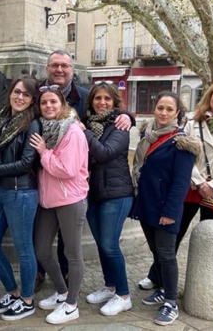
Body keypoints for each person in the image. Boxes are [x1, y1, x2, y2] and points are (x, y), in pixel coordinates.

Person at [35, 50, 133, 292]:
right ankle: (40, 273)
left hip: (73, 181)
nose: (59, 69)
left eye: (64, 66)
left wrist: (127, 116)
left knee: (77, 242)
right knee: (41, 238)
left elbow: (108, 109)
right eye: (54, 65)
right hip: (43, 180)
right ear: (47, 68)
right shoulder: (35, 92)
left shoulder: (86, 96)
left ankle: (71, 281)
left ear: (72, 69)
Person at [138, 80, 213, 290]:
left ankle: (203, 283)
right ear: (210, 96)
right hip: (191, 185)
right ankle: (157, 276)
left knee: (209, 234)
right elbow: (184, 156)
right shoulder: (192, 122)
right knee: (173, 235)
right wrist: (199, 182)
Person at [130, 91, 200, 326]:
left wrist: (170, 213)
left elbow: (181, 183)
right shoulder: (147, 135)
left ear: (177, 113)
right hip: (148, 204)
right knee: (156, 252)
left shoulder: (182, 142)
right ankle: (161, 288)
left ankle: (171, 301)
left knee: (167, 254)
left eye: (169, 109)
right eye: (160, 107)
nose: (163, 112)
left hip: (166, 209)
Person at [0, 76, 41, 321]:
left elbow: (25, 164)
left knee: (24, 250)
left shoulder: (32, 124)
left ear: (32, 99)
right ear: (10, 93)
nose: (20, 97)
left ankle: (27, 299)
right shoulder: (1, 119)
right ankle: (13, 292)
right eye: (17, 92)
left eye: (26, 94)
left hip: (21, 192)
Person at [30, 87, 89, 324]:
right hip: (49, 199)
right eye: (44, 102)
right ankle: (62, 291)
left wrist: (44, 152)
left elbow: (67, 169)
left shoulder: (72, 131)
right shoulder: (45, 128)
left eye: (53, 101)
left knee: (72, 253)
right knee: (42, 249)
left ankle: (72, 304)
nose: (48, 106)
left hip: (70, 199)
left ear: (62, 103)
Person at [81, 82, 134, 316]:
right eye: (97, 98)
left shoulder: (120, 126)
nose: (102, 102)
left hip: (117, 193)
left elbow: (103, 154)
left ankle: (123, 295)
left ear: (115, 102)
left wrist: (84, 132)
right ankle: (110, 286)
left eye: (107, 99)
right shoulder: (90, 123)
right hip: (94, 193)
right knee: (102, 244)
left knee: (110, 245)